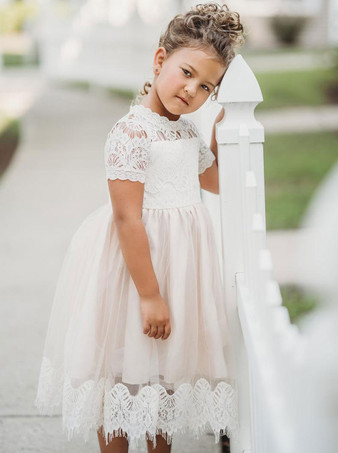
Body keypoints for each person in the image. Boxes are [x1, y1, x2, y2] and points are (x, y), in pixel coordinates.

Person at [34, 2, 245, 452]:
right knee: (122, 380)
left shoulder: (185, 134)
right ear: (160, 59)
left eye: (206, 86)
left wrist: (220, 135)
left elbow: (216, 181)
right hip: (137, 275)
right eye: (186, 72)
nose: (191, 90)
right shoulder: (130, 133)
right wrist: (150, 295)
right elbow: (127, 218)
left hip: (177, 274)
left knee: (160, 386)